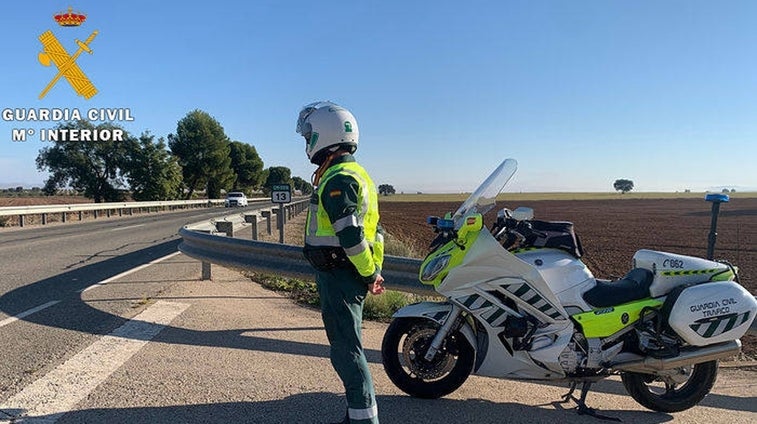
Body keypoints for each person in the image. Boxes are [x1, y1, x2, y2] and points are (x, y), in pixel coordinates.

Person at [296, 101, 385, 424]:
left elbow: (350, 235)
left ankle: (364, 420)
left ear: (324, 135)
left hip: (340, 274)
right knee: (349, 347)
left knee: (347, 352)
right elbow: (374, 232)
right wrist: (372, 271)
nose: (307, 143)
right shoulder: (353, 172)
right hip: (346, 273)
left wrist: (369, 272)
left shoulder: (338, 178)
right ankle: (356, 416)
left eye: (309, 135)